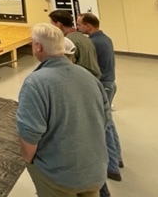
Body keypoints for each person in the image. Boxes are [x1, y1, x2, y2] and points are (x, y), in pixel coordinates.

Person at [17, 23, 109, 197]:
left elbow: (29, 133)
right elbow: (105, 120)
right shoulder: (89, 77)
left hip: (58, 178)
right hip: (95, 172)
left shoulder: (35, 83)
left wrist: (29, 160)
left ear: (38, 47)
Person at [77, 13, 124, 183]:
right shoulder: (106, 39)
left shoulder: (94, 43)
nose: (78, 28)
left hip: (103, 86)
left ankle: (112, 167)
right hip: (109, 83)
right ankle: (117, 158)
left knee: (104, 126)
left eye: (80, 25)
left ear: (88, 26)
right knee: (109, 123)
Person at [49, 10, 101, 78]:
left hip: (81, 78)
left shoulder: (68, 41)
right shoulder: (84, 37)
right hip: (92, 78)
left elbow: (67, 67)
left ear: (58, 25)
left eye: (51, 23)